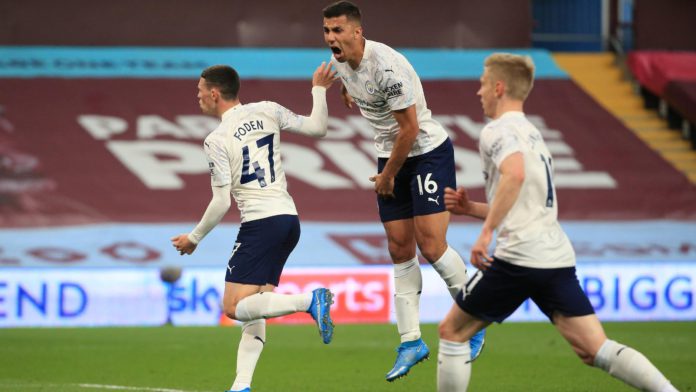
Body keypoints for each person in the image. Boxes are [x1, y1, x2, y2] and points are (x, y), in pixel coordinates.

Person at [437, 52, 678, 392]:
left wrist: (485, 233)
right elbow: (523, 200)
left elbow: (514, 174)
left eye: (482, 85)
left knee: (452, 332)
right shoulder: (533, 134)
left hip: (517, 258)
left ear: (499, 87)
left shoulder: (497, 131)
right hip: (554, 256)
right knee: (595, 349)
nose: (479, 92)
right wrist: (472, 209)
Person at [322, 1, 486, 382]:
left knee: (431, 245)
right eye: (327, 31)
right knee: (398, 247)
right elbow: (355, 88)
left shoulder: (388, 67)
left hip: (425, 152)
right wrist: (347, 93)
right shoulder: (342, 61)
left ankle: (474, 317)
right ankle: (411, 340)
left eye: (339, 30)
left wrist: (388, 177)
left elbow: (410, 130)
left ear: (357, 31)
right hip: (389, 154)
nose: (332, 38)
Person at [171, 63, 337, 392]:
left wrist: (194, 238)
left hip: (261, 224)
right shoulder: (268, 109)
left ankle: (309, 300)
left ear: (215, 94)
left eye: (200, 91)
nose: (198, 96)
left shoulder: (216, 140)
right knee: (255, 306)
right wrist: (319, 89)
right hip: (288, 220)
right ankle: (241, 385)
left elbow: (221, 202)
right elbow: (318, 128)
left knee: (233, 307)